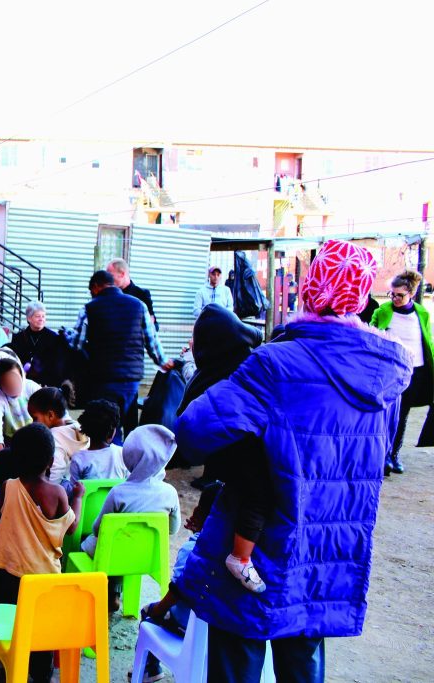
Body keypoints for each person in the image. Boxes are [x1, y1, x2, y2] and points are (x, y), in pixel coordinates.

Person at [174, 239, 411, 682]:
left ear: (311, 287)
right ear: (362, 295)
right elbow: (378, 452)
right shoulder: (389, 370)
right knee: (303, 660)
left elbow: (193, 431)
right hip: (329, 548)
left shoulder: (276, 363)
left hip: (260, 543)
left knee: (238, 658)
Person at [176, 304, 269, 592]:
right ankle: (240, 557)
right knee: (257, 494)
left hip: (228, 463)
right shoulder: (244, 366)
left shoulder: (220, 372)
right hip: (242, 461)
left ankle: (233, 551)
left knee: (234, 494)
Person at [0, 424, 83, 683]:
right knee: (42, 632)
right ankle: (40, 675)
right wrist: (78, 497)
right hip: (43, 581)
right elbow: (71, 527)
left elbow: (3, 518)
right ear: (51, 461)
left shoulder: (8, 486)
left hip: (7, 574)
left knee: (8, 627)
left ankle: (6, 669)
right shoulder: (57, 493)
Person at [80, 425, 181, 611]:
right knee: (123, 550)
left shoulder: (119, 492)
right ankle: (115, 593)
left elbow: (98, 529)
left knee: (91, 542)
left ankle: (97, 592)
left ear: (130, 457)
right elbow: (173, 529)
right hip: (146, 556)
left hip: (111, 554)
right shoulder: (170, 493)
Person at [137, 482, 223, 682]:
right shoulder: (235, 552)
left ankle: (150, 670)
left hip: (186, 625)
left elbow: (177, 592)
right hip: (216, 632)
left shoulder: (193, 549)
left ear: (198, 512)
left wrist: (156, 611)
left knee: (148, 612)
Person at [77, 270, 170, 441]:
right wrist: (163, 362)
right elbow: (151, 341)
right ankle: (127, 454)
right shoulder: (139, 305)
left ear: (96, 287)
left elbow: (77, 343)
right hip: (131, 379)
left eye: (91, 291)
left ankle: (113, 452)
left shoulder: (89, 308)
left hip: (103, 377)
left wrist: (68, 335)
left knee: (108, 426)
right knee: (126, 420)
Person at [370, 269, 433, 475]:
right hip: (389, 372)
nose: (395, 298)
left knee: (402, 414)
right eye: (392, 294)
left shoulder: (422, 313)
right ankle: (383, 454)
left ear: (411, 294)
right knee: (386, 413)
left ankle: (394, 455)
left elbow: (427, 341)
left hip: (415, 370)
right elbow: (372, 335)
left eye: (400, 295)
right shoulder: (383, 311)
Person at [27, 387, 89, 485]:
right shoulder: (75, 425)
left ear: (51, 415)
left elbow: (57, 469)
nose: (33, 423)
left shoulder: (54, 436)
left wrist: (49, 489)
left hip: (67, 486)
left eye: (35, 418)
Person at [0, 355, 41, 453]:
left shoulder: (31, 387)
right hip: (11, 438)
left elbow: (49, 402)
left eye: (16, 379)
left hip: (35, 433)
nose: (14, 385)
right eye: (8, 384)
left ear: (21, 374)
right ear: (0, 387)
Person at [9, 302, 68, 386]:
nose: (41, 319)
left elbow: (57, 367)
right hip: (24, 382)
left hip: (47, 383)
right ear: (29, 318)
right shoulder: (18, 338)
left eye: (43, 316)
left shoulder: (54, 338)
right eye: (37, 316)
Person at [69, 400, 126, 481]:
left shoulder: (79, 458)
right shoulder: (122, 453)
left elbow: (74, 486)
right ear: (112, 432)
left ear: (86, 429)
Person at [107, 258, 158, 330]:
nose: (108, 280)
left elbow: (154, 326)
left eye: (111, 276)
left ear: (122, 274)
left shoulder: (142, 294)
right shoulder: (108, 295)